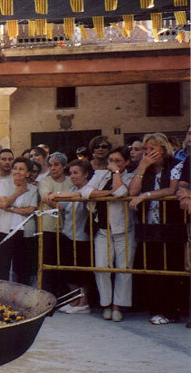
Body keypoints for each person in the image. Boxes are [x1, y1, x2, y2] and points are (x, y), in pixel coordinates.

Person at [128, 132, 183, 325]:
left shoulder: (175, 164)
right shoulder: (146, 168)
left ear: (163, 148)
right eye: (146, 149)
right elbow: (133, 191)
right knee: (152, 266)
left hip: (171, 223)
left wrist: (146, 195)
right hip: (149, 225)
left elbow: (171, 189)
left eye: (152, 148)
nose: (148, 152)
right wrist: (142, 167)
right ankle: (156, 308)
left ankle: (171, 310)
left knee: (171, 267)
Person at [81, 146, 135, 322]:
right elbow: (85, 192)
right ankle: (106, 304)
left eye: (118, 161)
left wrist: (117, 173)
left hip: (123, 229)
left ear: (126, 162)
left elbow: (121, 192)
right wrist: (107, 193)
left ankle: (118, 306)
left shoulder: (130, 176)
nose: (113, 164)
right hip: (103, 229)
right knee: (101, 267)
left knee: (123, 269)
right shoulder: (100, 175)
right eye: (111, 161)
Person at [51, 159, 93, 313]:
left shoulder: (89, 189)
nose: (73, 176)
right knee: (69, 270)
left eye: (76, 173)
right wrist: (50, 200)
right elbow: (62, 207)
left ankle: (84, 302)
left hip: (82, 236)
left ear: (86, 174)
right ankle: (75, 300)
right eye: (71, 173)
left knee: (82, 271)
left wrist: (57, 194)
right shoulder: (71, 189)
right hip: (68, 234)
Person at [0, 157, 39, 283]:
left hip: (25, 231)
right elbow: (2, 204)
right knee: (2, 267)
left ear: (28, 173)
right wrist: (17, 193)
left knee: (22, 269)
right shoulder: (4, 183)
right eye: (15, 168)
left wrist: (11, 208)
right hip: (4, 230)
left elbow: (31, 210)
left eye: (21, 169)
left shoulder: (33, 189)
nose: (17, 171)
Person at [38, 152, 73, 295]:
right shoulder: (44, 182)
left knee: (65, 263)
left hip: (68, 227)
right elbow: (46, 198)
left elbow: (75, 195)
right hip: (49, 227)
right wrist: (62, 206)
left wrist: (56, 197)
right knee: (48, 263)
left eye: (56, 164)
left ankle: (64, 295)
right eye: (50, 165)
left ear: (64, 166)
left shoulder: (71, 181)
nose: (53, 168)